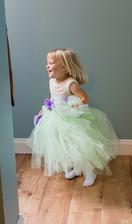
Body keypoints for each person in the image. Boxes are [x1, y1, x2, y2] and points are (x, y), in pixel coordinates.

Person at [26, 48, 118, 187]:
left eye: (50, 63)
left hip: (71, 122)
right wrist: (44, 109)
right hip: (56, 120)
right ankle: (76, 168)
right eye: (47, 63)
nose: (47, 66)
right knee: (66, 148)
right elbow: (53, 98)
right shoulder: (52, 82)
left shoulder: (71, 84)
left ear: (64, 66)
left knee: (78, 147)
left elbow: (84, 98)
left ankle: (89, 171)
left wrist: (73, 107)